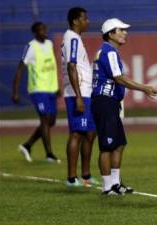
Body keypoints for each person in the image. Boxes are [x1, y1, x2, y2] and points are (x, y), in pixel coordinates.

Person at [91, 18, 157, 195]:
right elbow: (119, 78)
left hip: (108, 102)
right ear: (110, 34)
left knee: (119, 143)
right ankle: (107, 187)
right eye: (120, 30)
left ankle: (115, 183)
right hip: (105, 101)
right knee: (107, 146)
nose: (125, 33)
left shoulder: (106, 51)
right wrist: (144, 87)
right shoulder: (109, 51)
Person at [12, 21, 61, 163]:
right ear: (35, 33)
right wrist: (15, 91)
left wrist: (57, 86)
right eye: (41, 30)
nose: (44, 31)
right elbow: (20, 68)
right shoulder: (31, 47)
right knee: (45, 120)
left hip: (51, 89)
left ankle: (27, 145)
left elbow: (52, 65)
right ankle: (49, 155)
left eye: (45, 29)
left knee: (51, 121)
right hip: (38, 90)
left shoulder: (50, 44)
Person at [61, 7, 98, 187]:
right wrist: (78, 97)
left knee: (90, 132)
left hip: (85, 91)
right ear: (76, 21)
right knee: (77, 133)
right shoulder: (72, 39)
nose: (87, 21)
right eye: (85, 18)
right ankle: (71, 178)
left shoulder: (74, 38)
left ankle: (86, 175)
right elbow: (72, 66)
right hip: (79, 92)